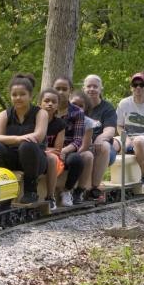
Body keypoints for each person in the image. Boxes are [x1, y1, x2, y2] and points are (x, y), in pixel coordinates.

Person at [0, 74, 49, 204]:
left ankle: (31, 191)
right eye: (14, 95)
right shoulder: (4, 114)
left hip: (34, 160)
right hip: (12, 158)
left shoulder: (41, 113)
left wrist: (19, 140)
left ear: (30, 96)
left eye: (22, 94)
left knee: (27, 145)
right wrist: (18, 138)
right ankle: (0, 189)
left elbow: (37, 137)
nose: (18, 98)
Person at [51, 77, 87, 206]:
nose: (60, 92)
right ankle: (47, 195)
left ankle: (67, 191)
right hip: (48, 149)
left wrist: (63, 151)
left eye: (64, 89)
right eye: (57, 89)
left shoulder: (77, 112)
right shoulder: (45, 109)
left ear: (70, 91)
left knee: (77, 160)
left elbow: (77, 140)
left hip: (67, 150)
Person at [82, 74, 118, 199]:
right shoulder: (78, 106)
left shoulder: (107, 108)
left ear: (100, 89)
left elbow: (110, 131)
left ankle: (95, 188)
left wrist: (99, 138)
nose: (91, 89)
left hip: (103, 150)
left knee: (104, 145)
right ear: (84, 89)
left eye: (95, 86)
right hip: (83, 145)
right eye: (89, 86)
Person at [39, 88, 65, 210]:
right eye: (46, 101)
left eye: (54, 102)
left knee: (53, 158)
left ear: (57, 106)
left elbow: (57, 149)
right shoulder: (33, 120)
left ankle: (50, 197)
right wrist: (45, 150)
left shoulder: (59, 124)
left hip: (52, 157)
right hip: (37, 153)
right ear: (40, 103)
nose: (50, 104)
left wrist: (45, 150)